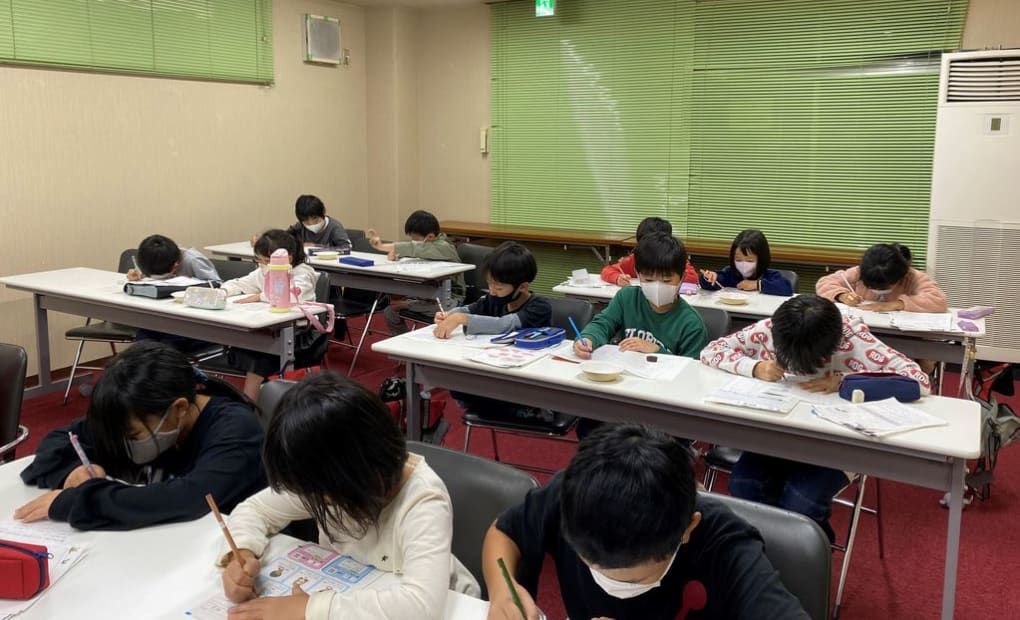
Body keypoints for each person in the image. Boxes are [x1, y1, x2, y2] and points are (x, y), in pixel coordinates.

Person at [218, 372, 479, 619]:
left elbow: (420, 607)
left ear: (357, 472)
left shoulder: (423, 500)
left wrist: (310, 609)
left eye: (324, 495)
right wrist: (242, 551)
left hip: (452, 607)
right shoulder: (324, 480)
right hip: (356, 592)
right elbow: (255, 509)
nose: (317, 500)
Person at [482, 424, 810, 620]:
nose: (608, 582)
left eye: (635, 580)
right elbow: (504, 533)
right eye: (589, 563)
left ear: (687, 530)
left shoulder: (723, 544)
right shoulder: (574, 495)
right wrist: (501, 590)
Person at [700, 294, 931, 540]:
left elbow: (918, 381)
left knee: (801, 501)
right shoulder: (775, 329)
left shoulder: (853, 339)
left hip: (836, 443)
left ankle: (810, 545)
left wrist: (846, 381)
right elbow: (711, 350)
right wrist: (754, 367)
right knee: (745, 484)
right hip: (780, 433)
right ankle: (770, 549)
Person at [16, 341, 265, 530]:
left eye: (132, 434)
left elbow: (189, 499)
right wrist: (73, 472)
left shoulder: (236, 431)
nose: (123, 441)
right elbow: (59, 441)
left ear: (178, 409)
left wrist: (81, 501)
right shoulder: (134, 413)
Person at [433, 241, 553, 422]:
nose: (492, 292)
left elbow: (505, 325)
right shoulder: (493, 299)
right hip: (495, 369)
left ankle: (523, 408)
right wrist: (449, 314)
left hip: (527, 378)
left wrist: (461, 320)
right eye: (489, 285)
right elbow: (470, 309)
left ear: (522, 287)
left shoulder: (539, 307)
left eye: (499, 287)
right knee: (455, 380)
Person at [575, 233, 708, 359]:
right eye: (649, 280)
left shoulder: (691, 324)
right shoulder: (627, 298)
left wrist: (656, 351)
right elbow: (603, 324)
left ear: (682, 278)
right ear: (638, 276)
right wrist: (589, 338)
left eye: (666, 281)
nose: (657, 286)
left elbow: (690, 371)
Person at [221, 229, 319, 400]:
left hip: (299, 335)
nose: (263, 265)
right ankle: (252, 403)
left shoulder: (303, 273)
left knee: (258, 355)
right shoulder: (264, 270)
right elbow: (243, 283)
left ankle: (250, 405)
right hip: (269, 330)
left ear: (287, 259)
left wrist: (259, 296)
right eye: (260, 260)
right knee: (250, 345)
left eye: (267, 261)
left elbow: (290, 296)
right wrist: (222, 292)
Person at [367, 210, 465, 335]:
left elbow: (417, 249)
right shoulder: (427, 244)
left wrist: (381, 246)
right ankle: (403, 347)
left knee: (402, 307)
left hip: (450, 299)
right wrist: (397, 255)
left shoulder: (445, 247)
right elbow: (414, 251)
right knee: (390, 312)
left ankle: (409, 305)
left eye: (416, 240)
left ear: (429, 236)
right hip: (424, 295)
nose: (413, 242)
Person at [816, 242, 947, 313]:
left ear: (901, 276)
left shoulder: (912, 276)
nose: (877, 289)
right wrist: (842, 295)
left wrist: (896, 304)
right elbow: (824, 283)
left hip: (904, 335)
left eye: (884, 286)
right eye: (871, 286)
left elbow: (939, 301)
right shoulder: (859, 272)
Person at [600, 217, 698, 286]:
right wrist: (617, 278)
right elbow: (607, 270)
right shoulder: (636, 258)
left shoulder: (674, 258)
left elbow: (693, 279)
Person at [699, 229, 794, 296]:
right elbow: (709, 284)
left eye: (750, 260)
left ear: (761, 259)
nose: (743, 264)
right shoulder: (730, 273)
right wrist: (709, 277)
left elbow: (787, 288)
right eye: (738, 260)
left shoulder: (769, 275)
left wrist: (758, 284)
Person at [126, 234, 220, 282]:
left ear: (175, 266)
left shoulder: (194, 260)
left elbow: (217, 284)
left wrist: (190, 281)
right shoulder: (152, 256)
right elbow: (156, 276)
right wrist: (140, 275)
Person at [286, 194, 351, 251]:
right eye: (306, 221)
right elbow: (284, 238)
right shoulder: (300, 225)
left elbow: (347, 248)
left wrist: (317, 247)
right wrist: (299, 245)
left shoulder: (334, 227)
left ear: (322, 213)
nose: (311, 223)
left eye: (315, 219)